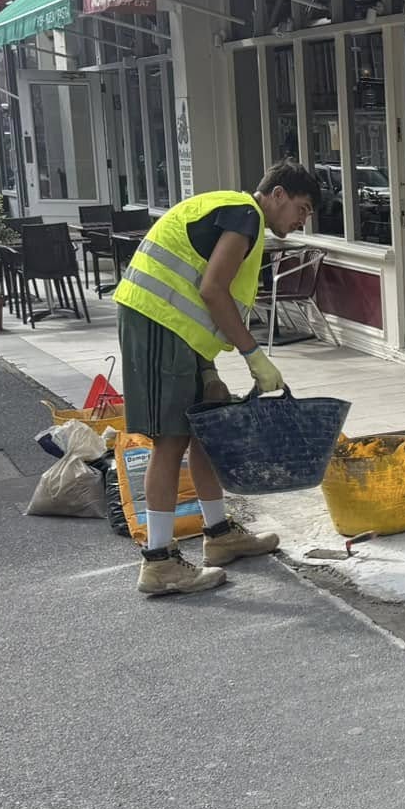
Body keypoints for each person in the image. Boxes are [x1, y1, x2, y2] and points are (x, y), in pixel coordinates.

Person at [112, 161, 319, 597]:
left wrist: (208, 367)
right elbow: (212, 290)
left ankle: (220, 534)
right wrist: (253, 356)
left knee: (207, 431)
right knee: (170, 442)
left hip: (178, 333)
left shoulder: (239, 218)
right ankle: (159, 563)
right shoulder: (244, 215)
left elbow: (201, 294)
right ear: (277, 195)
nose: (302, 220)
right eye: (301, 208)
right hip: (156, 324)